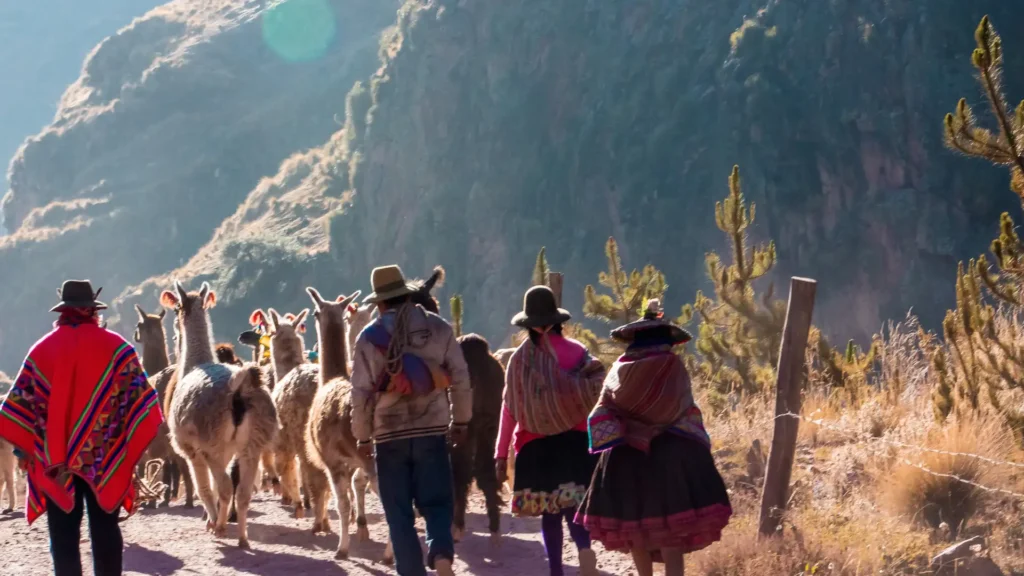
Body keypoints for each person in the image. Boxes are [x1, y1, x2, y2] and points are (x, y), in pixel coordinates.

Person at [0, 280, 163, 576]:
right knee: (105, 530)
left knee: (63, 536)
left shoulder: (42, 350)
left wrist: (27, 448)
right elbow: (142, 403)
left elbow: (19, 406)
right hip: (106, 457)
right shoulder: (118, 349)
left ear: (63, 310)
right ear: (93, 311)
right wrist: (130, 446)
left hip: (55, 461)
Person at [575, 299, 732, 576]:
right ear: (666, 339)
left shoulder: (619, 370)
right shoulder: (673, 366)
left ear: (634, 339)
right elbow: (682, 407)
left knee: (636, 529)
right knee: (671, 531)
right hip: (672, 455)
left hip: (625, 456)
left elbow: (603, 410)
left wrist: (633, 427)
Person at [351, 265, 472, 576]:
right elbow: (460, 378)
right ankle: (442, 556)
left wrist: (362, 437)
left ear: (380, 302)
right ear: (406, 293)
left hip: (388, 436)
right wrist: (461, 421)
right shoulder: (439, 327)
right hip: (432, 430)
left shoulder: (368, 338)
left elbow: (361, 393)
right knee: (437, 504)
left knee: (399, 515)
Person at [496, 285, 606, 576]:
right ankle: (584, 549)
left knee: (550, 512)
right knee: (573, 506)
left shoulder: (518, 361)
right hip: (575, 440)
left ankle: (556, 570)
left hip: (536, 445)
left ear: (528, 324)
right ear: (558, 320)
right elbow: (596, 392)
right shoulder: (577, 352)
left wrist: (500, 452)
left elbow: (509, 408)